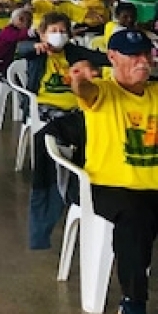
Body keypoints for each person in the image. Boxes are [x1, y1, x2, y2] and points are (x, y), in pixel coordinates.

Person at [69, 30, 158, 314]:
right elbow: (86, 92)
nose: (142, 61)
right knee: (136, 221)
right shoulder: (104, 93)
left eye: (146, 54)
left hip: (153, 187)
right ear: (112, 58)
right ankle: (133, 302)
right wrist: (79, 80)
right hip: (112, 187)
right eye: (133, 56)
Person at [15, 11, 110, 249]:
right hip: (47, 108)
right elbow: (19, 49)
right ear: (43, 33)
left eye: (62, 31)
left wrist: (100, 67)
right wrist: (34, 46)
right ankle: (67, 189)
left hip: (76, 110)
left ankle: (85, 183)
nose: (58, 35)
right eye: (53, 31)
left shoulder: (74, 53)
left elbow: (101, 58)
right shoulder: (37, 54)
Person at [0, 8, 34, 76]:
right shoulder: (8, 30)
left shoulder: (19, 30)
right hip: (3, 65)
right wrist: (32, 32)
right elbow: (17, 37)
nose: (30, 24)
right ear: (18, 19)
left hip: (14, 61)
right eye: (29, 21)